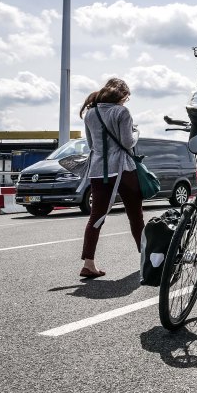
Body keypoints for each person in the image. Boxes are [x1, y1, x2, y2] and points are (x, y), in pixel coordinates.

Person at [78, 78, 144, 278]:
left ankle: (88, 263)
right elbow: (127, 142)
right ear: (121, 95)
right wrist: (136, 133)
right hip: (122, 169)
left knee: (96, 216)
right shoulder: (121, 112)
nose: (126, 101)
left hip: (98, 170)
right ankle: (147, 257)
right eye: (126, 97)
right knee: (135, 214)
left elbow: (91, 144)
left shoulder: (90, 113)